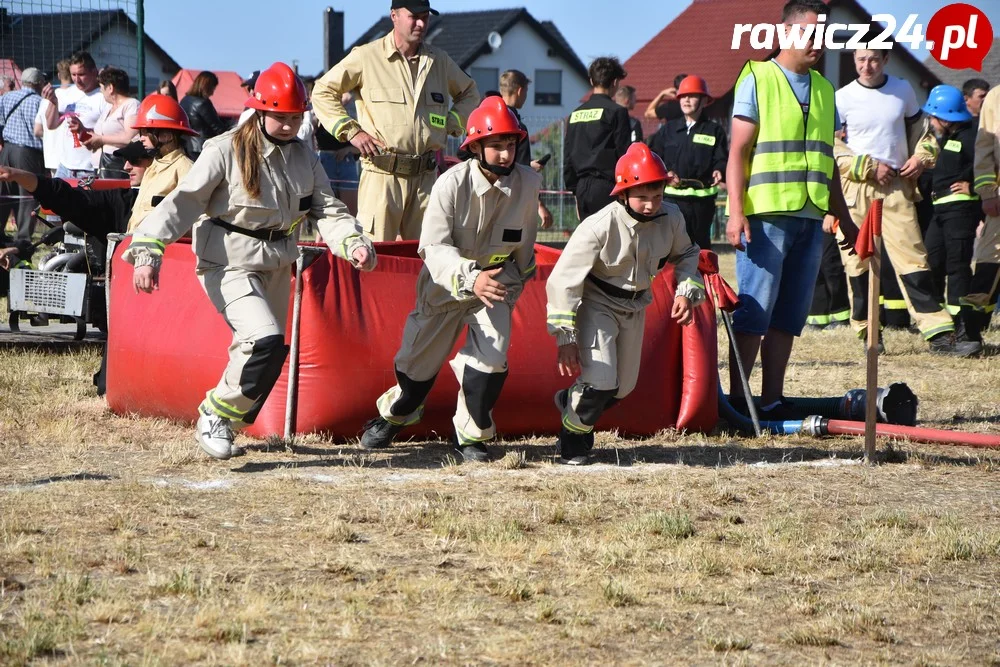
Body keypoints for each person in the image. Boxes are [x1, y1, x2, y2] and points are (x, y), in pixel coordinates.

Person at [124, 62, 376, 460]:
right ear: (260, 110)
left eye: (296, 117)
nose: (291, 125)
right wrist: (147, 250)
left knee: (268, 352)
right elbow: (183, 203)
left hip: (277, 263)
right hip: (227, 262)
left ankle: (224, 419)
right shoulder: (223, 149)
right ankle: (213, 414)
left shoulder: (304, 159)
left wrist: (352, 242)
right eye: (282, 117)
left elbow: (327, 210)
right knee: (264, 339)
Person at [358, 97, 541, 462]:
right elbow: (433, 247)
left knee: (491, 360)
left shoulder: (529, 182)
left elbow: (525, 240)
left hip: (495, 285)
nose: (506, 154)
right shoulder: (450, 185)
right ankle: (396, 413)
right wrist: (469, 278)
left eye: (511, 144)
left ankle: (470, 436)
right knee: (415, 369)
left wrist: (516, 282)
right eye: (496, 146)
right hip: (445, 285)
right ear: (474, 147)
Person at [725, 0, 860, 420]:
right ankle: (737, 403)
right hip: (764, 220)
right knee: (755, 312)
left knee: (789, 317)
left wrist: (848, 220)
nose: (818, 43)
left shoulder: (824, 89)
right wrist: (735, 212)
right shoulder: (758, 77)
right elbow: (737, 152)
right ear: (785, 33)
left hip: (810, 219)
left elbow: (828, 164)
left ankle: (771, 400)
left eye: (823, 35)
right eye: (809, 33)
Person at [546, 142, 703, 465]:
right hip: (597, 303)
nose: (650, 205)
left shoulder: (671, 218)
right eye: (642, 197)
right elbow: (563, 280)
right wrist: (565, 337)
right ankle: (572, 442)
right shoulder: (598, 226)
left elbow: (687, 254)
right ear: (622, 194)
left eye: (657, 195)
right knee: (601, 383)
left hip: (635, 306)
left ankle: (570, 401)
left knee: (623, 387)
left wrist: (686, 289)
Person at [835, 47, 977, 356]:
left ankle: (940, 337)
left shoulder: (902, 90)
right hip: (856, 190)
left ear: (886, 59)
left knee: (914, 260)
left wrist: (921, 157)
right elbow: (830, 146)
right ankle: (869, 334)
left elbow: (923, 134)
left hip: (897, 188)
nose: (866, 65)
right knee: (858, 264)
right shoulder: (841, 97)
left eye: (874, 59)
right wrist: (868, 166)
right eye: (860, 59)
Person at [312, 0, 479, 242]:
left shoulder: (439, 61)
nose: (421, 23)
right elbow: (322, 91)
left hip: (426, 180)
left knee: (428, 258)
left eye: (425, 17)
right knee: (375, 258)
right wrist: (351, 132)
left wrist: (451, 123)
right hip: (382, 178)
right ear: (394, 16)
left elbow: (470, 93)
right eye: (414, 16)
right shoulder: (367, 57)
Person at [919, 85, 982, 344]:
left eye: (934, 117)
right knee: (932, 263)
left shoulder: (970, 137)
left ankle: (964, 328)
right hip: (939, 211)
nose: (931, 122)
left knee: (957, 268)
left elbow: (988, 166)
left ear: (945, 117)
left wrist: (975, 186)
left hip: (960, 211)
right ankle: (941, 323)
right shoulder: (947, 139)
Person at [652, 75, 728, 250]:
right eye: (683, 96)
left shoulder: (714, 131)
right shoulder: (668, 130)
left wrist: (719, 169)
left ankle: (699, 278)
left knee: (699, 250)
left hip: (701, 203)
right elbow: (655, 157)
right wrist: (667, 173)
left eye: (692, 96)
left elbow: (721, 158)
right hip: (672, 201)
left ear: (704, 101)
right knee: (669, 249)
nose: (686, 100)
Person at [564, 57, 631, 220]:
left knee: (590, 241)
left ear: (591, 80)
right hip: (608, 188)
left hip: (582, 189)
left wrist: (575, 192)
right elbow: (624, 155)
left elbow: (568, 157)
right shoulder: (617, 112)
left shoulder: (575, 114)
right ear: (615, 82)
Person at [126, 93, 197, 232]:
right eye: (141, 132)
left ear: (167, 135)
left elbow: (194, 218)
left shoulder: (185, 169)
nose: (141, 138)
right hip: (137, 245)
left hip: (161, 250)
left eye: (147, 132)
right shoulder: (154, 166)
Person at [497, 70, 553, 229]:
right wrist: (539, 205)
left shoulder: (487, 122)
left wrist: (528, 163)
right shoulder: (518, 127)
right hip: (512, 201)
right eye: (526, 92)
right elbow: (521, 172)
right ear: (520, 91)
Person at [43, 51, 104, 178]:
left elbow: (107, 134)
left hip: (89, 168)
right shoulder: (68, 93)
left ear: (94, 72)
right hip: (65, 166)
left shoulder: (103, 97)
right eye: (73, 75)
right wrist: (53, 102)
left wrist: (84, 130)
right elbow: (51, 124)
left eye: (81, 74)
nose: (77, 80)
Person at [0, 67, 44, 241]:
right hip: (28, 152)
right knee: (28, 196)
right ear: (39, 83)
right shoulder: (39, 101)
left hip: (7, 149)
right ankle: (23, 238)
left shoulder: (6, 97)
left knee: (3, 193)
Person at [969, 85, 1000, 336]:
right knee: (988, 261)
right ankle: (972, 329)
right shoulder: (996, 97)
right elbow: (984, 147)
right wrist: (988, 193)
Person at [83, 67, 139, 175]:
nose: (100, 91)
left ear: (110, 88)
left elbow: (130, 138)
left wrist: (101, 139)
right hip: (99, 167)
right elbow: (102, 134)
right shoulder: (108, 107)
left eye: (101, 87)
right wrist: (90, 138)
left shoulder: (131, 105)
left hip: (116, 167)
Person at [179, 71, 229, 159]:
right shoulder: (203, 103)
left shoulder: (184, 100)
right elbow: (218, 128)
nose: (213, 93)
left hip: (186, 146)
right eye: (213, 88)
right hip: (203, 148)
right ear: (207, 86)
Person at [34, 60, 72, 175]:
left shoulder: (47, 98)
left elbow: (37, 130)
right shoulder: (79, 96)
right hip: (72, 159)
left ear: (59, 75)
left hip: (52, 156)